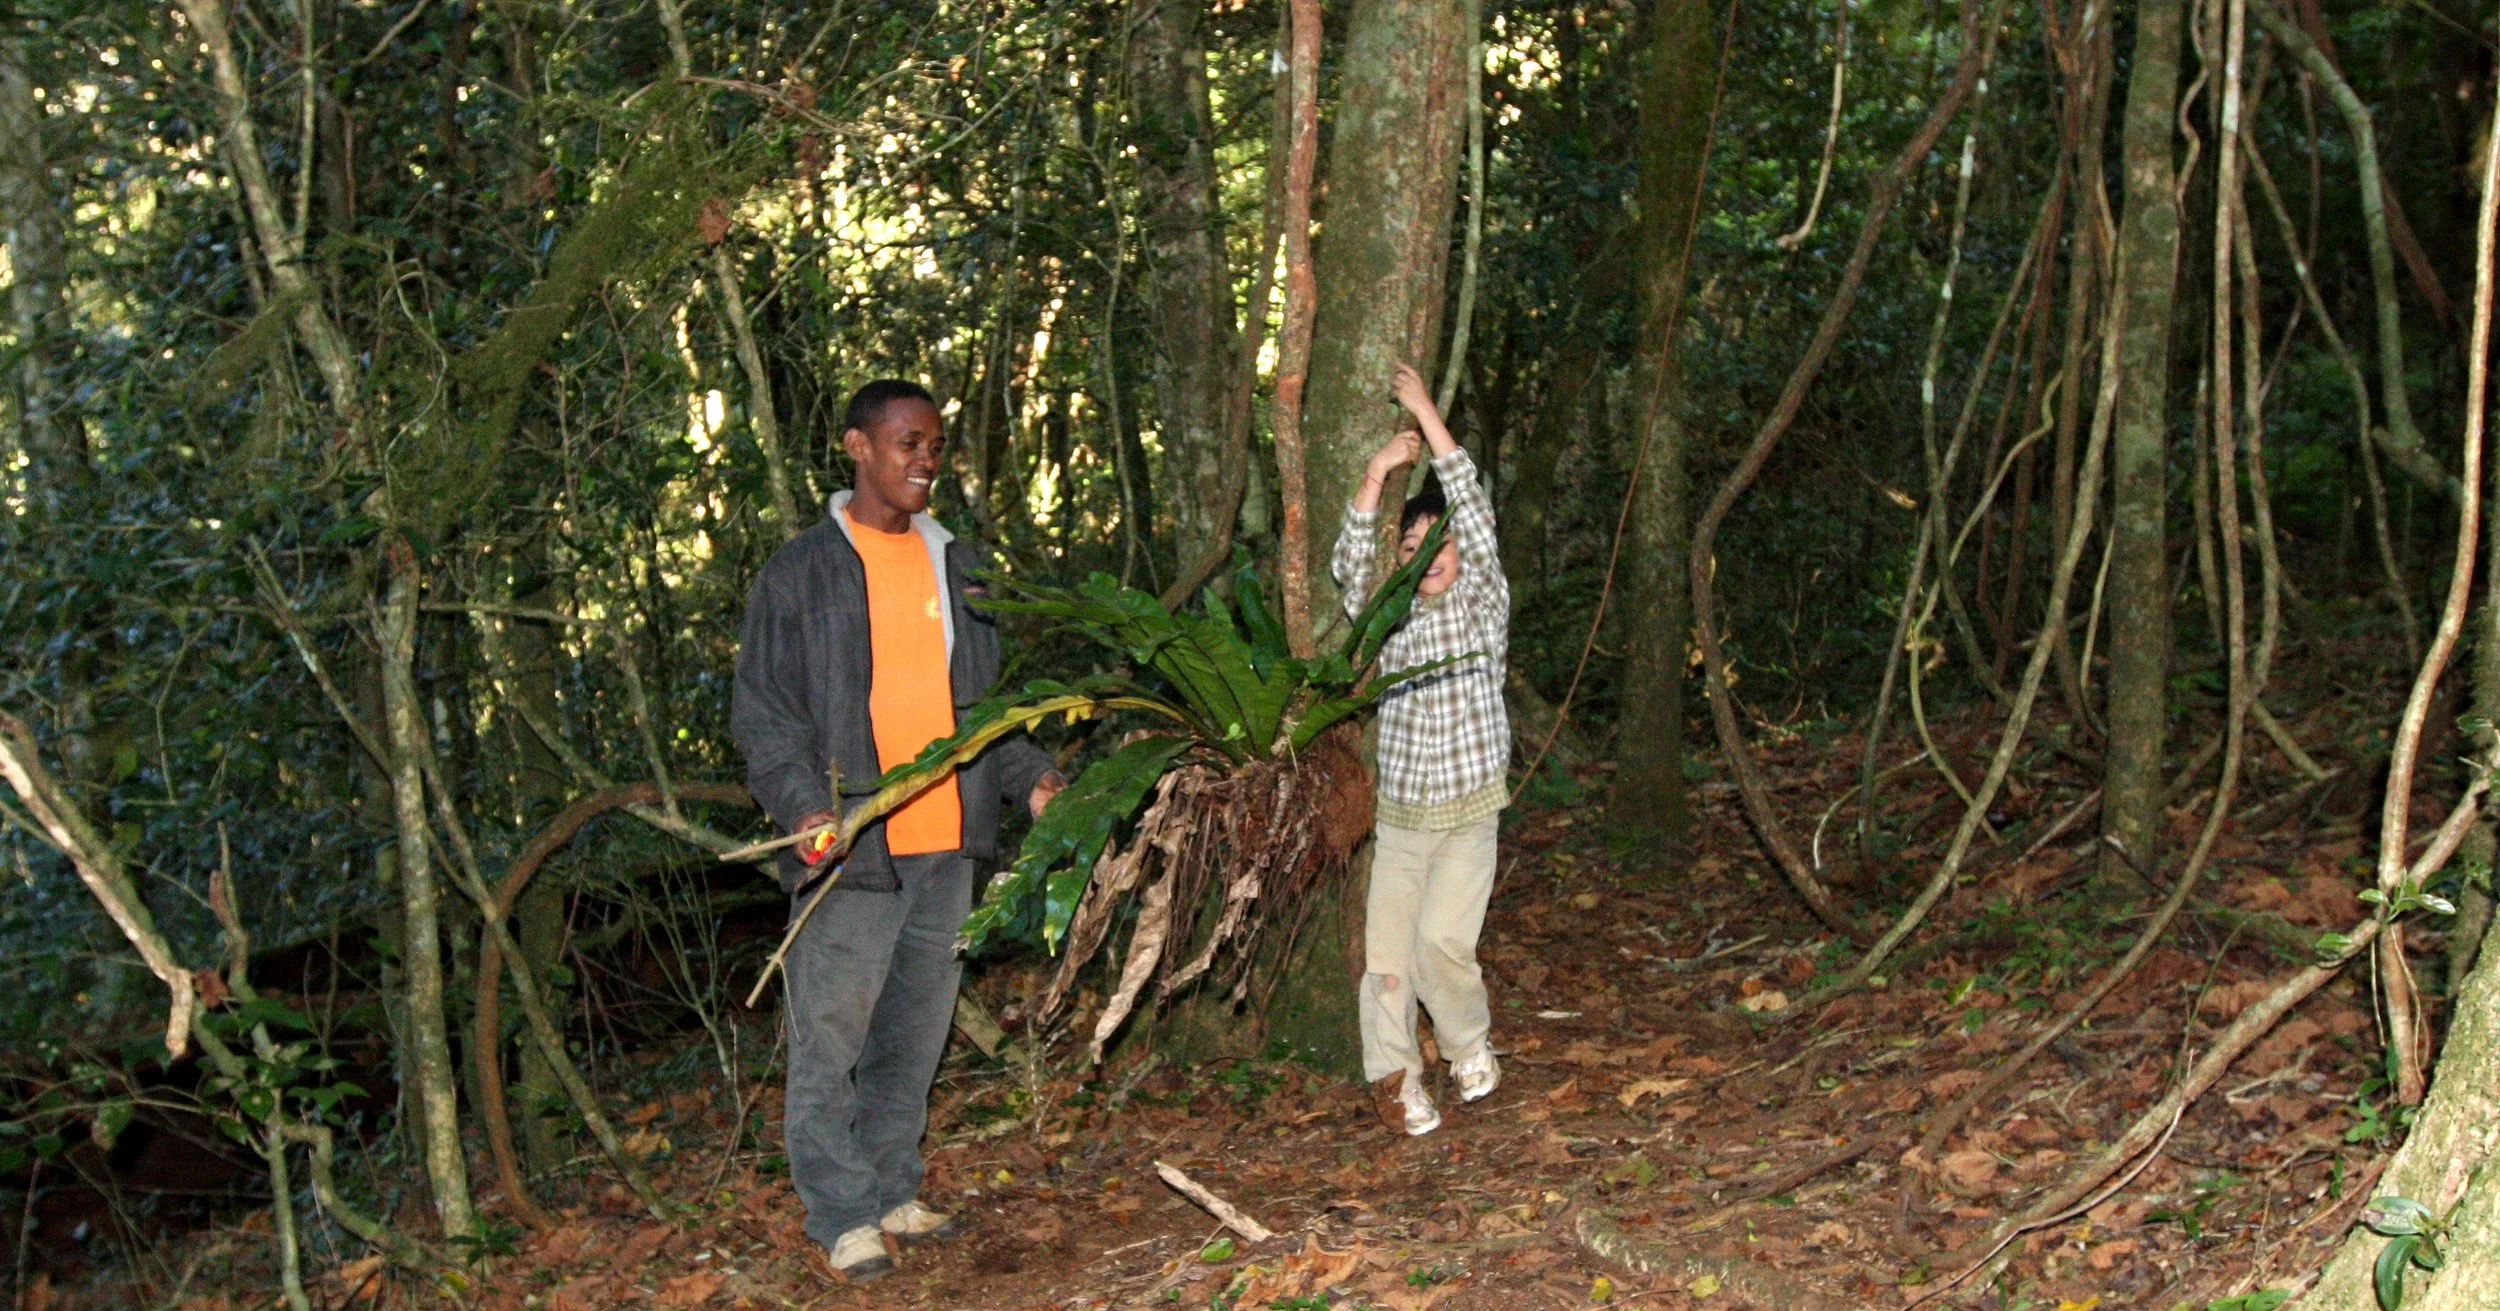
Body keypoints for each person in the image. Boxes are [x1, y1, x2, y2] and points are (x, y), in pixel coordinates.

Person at [731, 379, 1064, 1281]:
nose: (926, 459)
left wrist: (1032, 781)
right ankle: (839, 1211)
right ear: (858, 448)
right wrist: (805, 806)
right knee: (829, 1038)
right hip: (851, 851)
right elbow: (765, 714)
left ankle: (890, 1187)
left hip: (948, 841)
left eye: (936, 444)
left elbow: (988, 711)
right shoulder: (800, 572)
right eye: (908, 442)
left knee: (914, 1033)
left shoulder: (962, 566)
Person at [1330, 362, 1512, 1137]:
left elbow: (1467, 505)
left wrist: (1426, 413)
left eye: (1439, 540)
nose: (1429, 546)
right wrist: (1377, 473)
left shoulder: (1483, 602)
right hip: (1402, 817)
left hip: (1470, 811)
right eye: (1413, 539)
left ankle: (1470, 1044)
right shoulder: (1391, 620)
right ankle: (1398, 1080)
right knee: (1388, 961)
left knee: (1443, 946)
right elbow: (1350, 568)